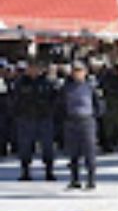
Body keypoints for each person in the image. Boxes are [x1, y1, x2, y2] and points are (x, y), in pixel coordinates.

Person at [60, 60, 105, 190]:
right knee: (73, 153)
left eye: (80, 71)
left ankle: (91, 180)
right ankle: (75, 180)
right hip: (71, 121)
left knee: (89, 152)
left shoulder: (91, 86)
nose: (77, 74)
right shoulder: (67, 87)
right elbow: (60, 104)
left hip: (87, 121)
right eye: (75, 71)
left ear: (85, 72)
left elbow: (99, 104)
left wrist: (93, 117)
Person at [13, 61, 59, 181]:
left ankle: (49, 171)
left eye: (36, 68)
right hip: (26, 118)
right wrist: (17, 113)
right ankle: (25, 171)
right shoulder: (20, 83)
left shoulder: (48, 82)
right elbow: (14, 100)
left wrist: (50, 111)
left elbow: (56, 99)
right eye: (31, 68)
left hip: (44, 118)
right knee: (25, 146)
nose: (33, 71)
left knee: (47, 146)